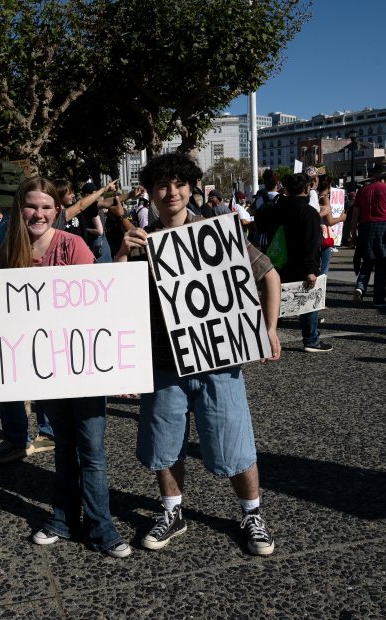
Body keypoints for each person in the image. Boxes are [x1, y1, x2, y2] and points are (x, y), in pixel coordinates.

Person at [116, 152, 282, 555]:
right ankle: (172, 512)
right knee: (163, 442)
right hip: (163, 362)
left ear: (191, 188)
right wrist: (121, 253)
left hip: (217, 359)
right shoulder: (140, 242)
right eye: (161, 186)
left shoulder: (217, 234)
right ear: (150, 193)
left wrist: (270, 329)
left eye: (179, 184)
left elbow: (270, 275)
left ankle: (252, 514)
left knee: (234, 439)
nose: (171, 192)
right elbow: (113, 298)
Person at [0, 176, 131, 558]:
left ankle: (101, 528)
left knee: (91, 449)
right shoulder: (7, 251)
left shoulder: (73, 245)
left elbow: (99, 304)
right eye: (31, 206)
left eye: (45, 207)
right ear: (19, 209)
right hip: (46, 369)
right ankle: (62, 519)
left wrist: (117, 365)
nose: (38, 214)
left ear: (57, 211)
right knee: (62, 445)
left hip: (84, 367)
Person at [256, 172, 332, 353]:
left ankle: (267, 336)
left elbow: (260, 224)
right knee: (307, 300)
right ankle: (311, 339)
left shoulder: (275, 207)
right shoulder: (308, 212)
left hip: (277, 261)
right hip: (300, 263)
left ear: (286, 189)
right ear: (307, 189)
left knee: (274, 297)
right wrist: (310, 270)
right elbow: (311, 243)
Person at [348, 162, 386, 308]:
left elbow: (355, 216)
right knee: (382, 264)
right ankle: (378, 298)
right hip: (383, 228)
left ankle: (360, 287)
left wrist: (353, 233)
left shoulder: (362, 191)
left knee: (367, 262)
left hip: (365, 228)